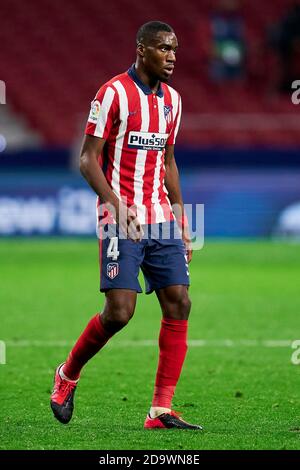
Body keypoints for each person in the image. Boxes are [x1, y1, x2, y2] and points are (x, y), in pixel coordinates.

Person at [50, 21, 202, 430]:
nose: (172, 56)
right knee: (120, 312)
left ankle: (160, 409)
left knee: (179, 301)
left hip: (160, 216)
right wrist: (116, 207)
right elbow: (87, 159)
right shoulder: (113, 93)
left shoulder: (174, 100)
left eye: (175, 49)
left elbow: (167, 159)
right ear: (141, 49)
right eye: (163, 48)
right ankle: (67, 374)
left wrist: (181, 217)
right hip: (120, 215)